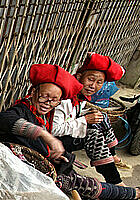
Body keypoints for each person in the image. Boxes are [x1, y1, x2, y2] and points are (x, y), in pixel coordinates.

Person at [0, 63, 140, 200]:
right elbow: (6, 121)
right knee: (80, 183)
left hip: (40, 166)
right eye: (44, 96)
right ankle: (137, 193)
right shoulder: (21, 110)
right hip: (16, 172)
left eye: (54, 100)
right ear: (33, 92)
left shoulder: (44, 114)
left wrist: (54, 155)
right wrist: (46, 136)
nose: (48, 103)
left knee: (79, 183)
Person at [52, 53, 130, 186]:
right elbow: (53, 129)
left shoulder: (80, 96)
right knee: (93, 134)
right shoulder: (66, 98)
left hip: (62, 136)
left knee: (101, 117)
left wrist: (87, 117)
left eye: (99, 82)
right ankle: (115, 181)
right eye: (90, 79)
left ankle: (112, 155)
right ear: (79, 77)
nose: (93, 86)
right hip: (51, 143)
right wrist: (85, 121)